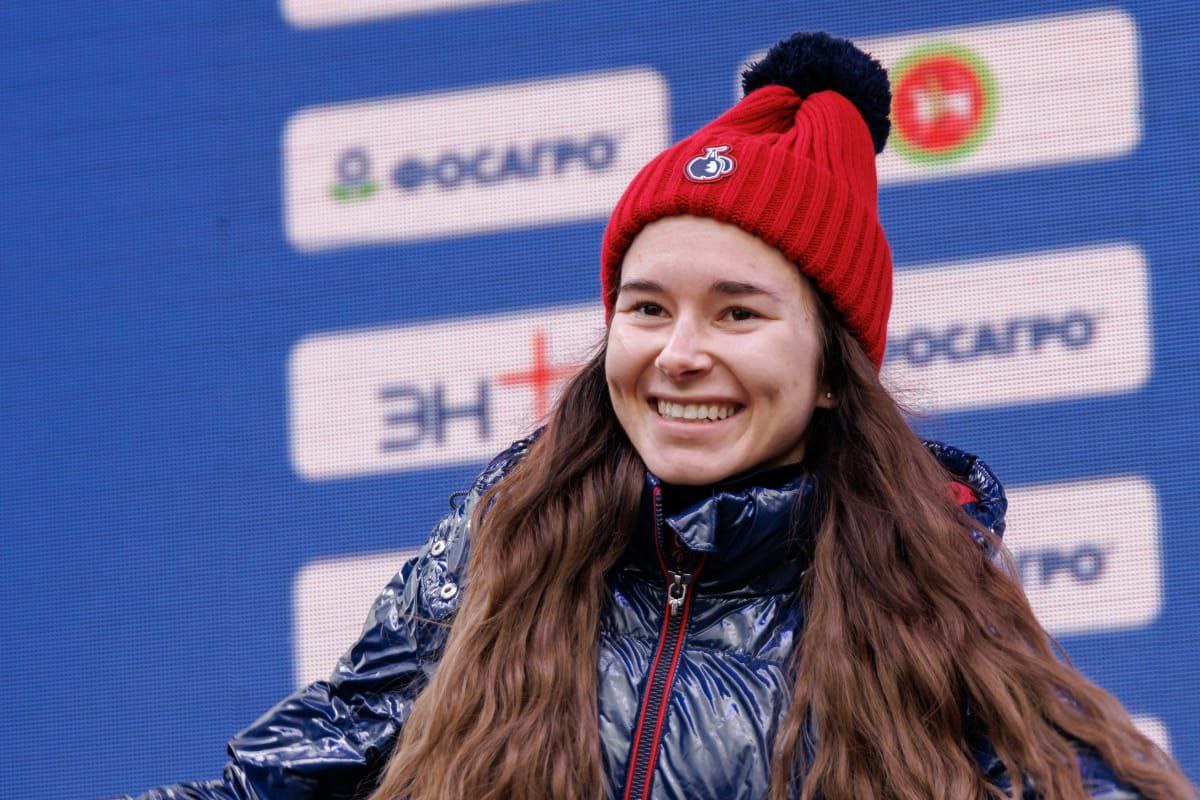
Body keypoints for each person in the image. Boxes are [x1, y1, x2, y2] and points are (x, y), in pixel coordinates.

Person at [121, 31, 1195, 800]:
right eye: (647, 307)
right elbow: (292, 769)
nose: (680, 353)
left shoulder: (928, 582)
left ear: (831, 369)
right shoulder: (506, 533)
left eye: (738, 312)